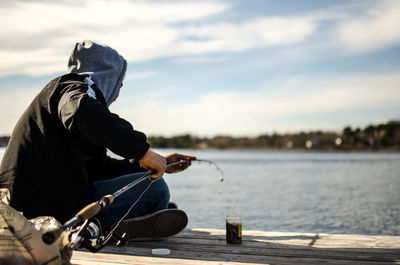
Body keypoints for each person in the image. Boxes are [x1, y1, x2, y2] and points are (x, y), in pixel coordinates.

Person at [0, 40, 196, 241]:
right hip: (39, 212)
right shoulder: (72, 90)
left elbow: (100, 169)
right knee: (157, 190)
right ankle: (102, 226)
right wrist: (142, 152)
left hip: (46, 201)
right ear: (108, 78)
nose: (118, 93)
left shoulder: (70, 104)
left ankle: (129, 217)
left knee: (148, 186)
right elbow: (79, 112)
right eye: (119, 84)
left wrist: (151, 163)